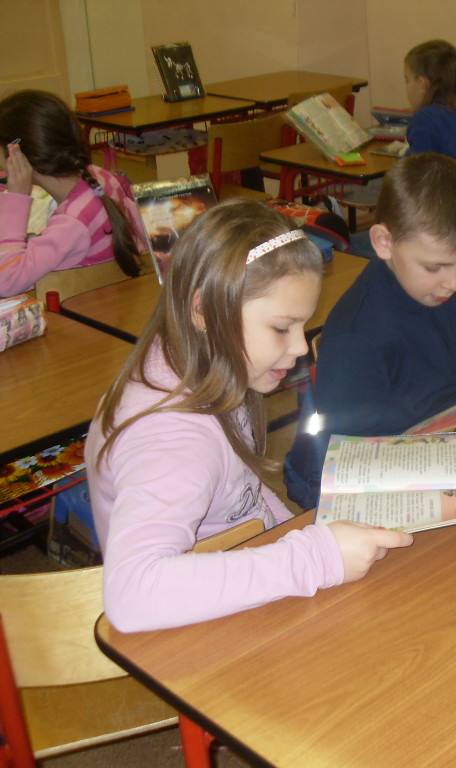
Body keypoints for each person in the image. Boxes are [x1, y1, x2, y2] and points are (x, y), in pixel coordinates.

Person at [86, 199, 413, 633]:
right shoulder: (172, 436)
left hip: (237, 581)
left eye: (302, 326)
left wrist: (304, 534)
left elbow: (244, 495)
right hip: (193, 631)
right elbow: (132, 594)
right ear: (204, 311)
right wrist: (316, 556)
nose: (300, 347)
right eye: (281, 328)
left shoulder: (211, 366)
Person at [284, 153, 456, 511]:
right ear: (384, 243)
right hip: (391, 474)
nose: (454, 282)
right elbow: (354, 457)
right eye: (434, 267)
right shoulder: (357, 337)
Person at [345, 39, 456, 259]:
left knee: (347, 244)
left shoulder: (425, 119)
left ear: (422, 84)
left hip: (438, 230)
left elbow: (414, 184)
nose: (406, 86)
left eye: (407, 79)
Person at [0, 90, 147, 297]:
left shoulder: (72, 223)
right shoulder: (100, 177)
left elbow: (7, 282)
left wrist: (16, 200)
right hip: (118, 296)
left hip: (82, 307)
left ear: (16, 155)